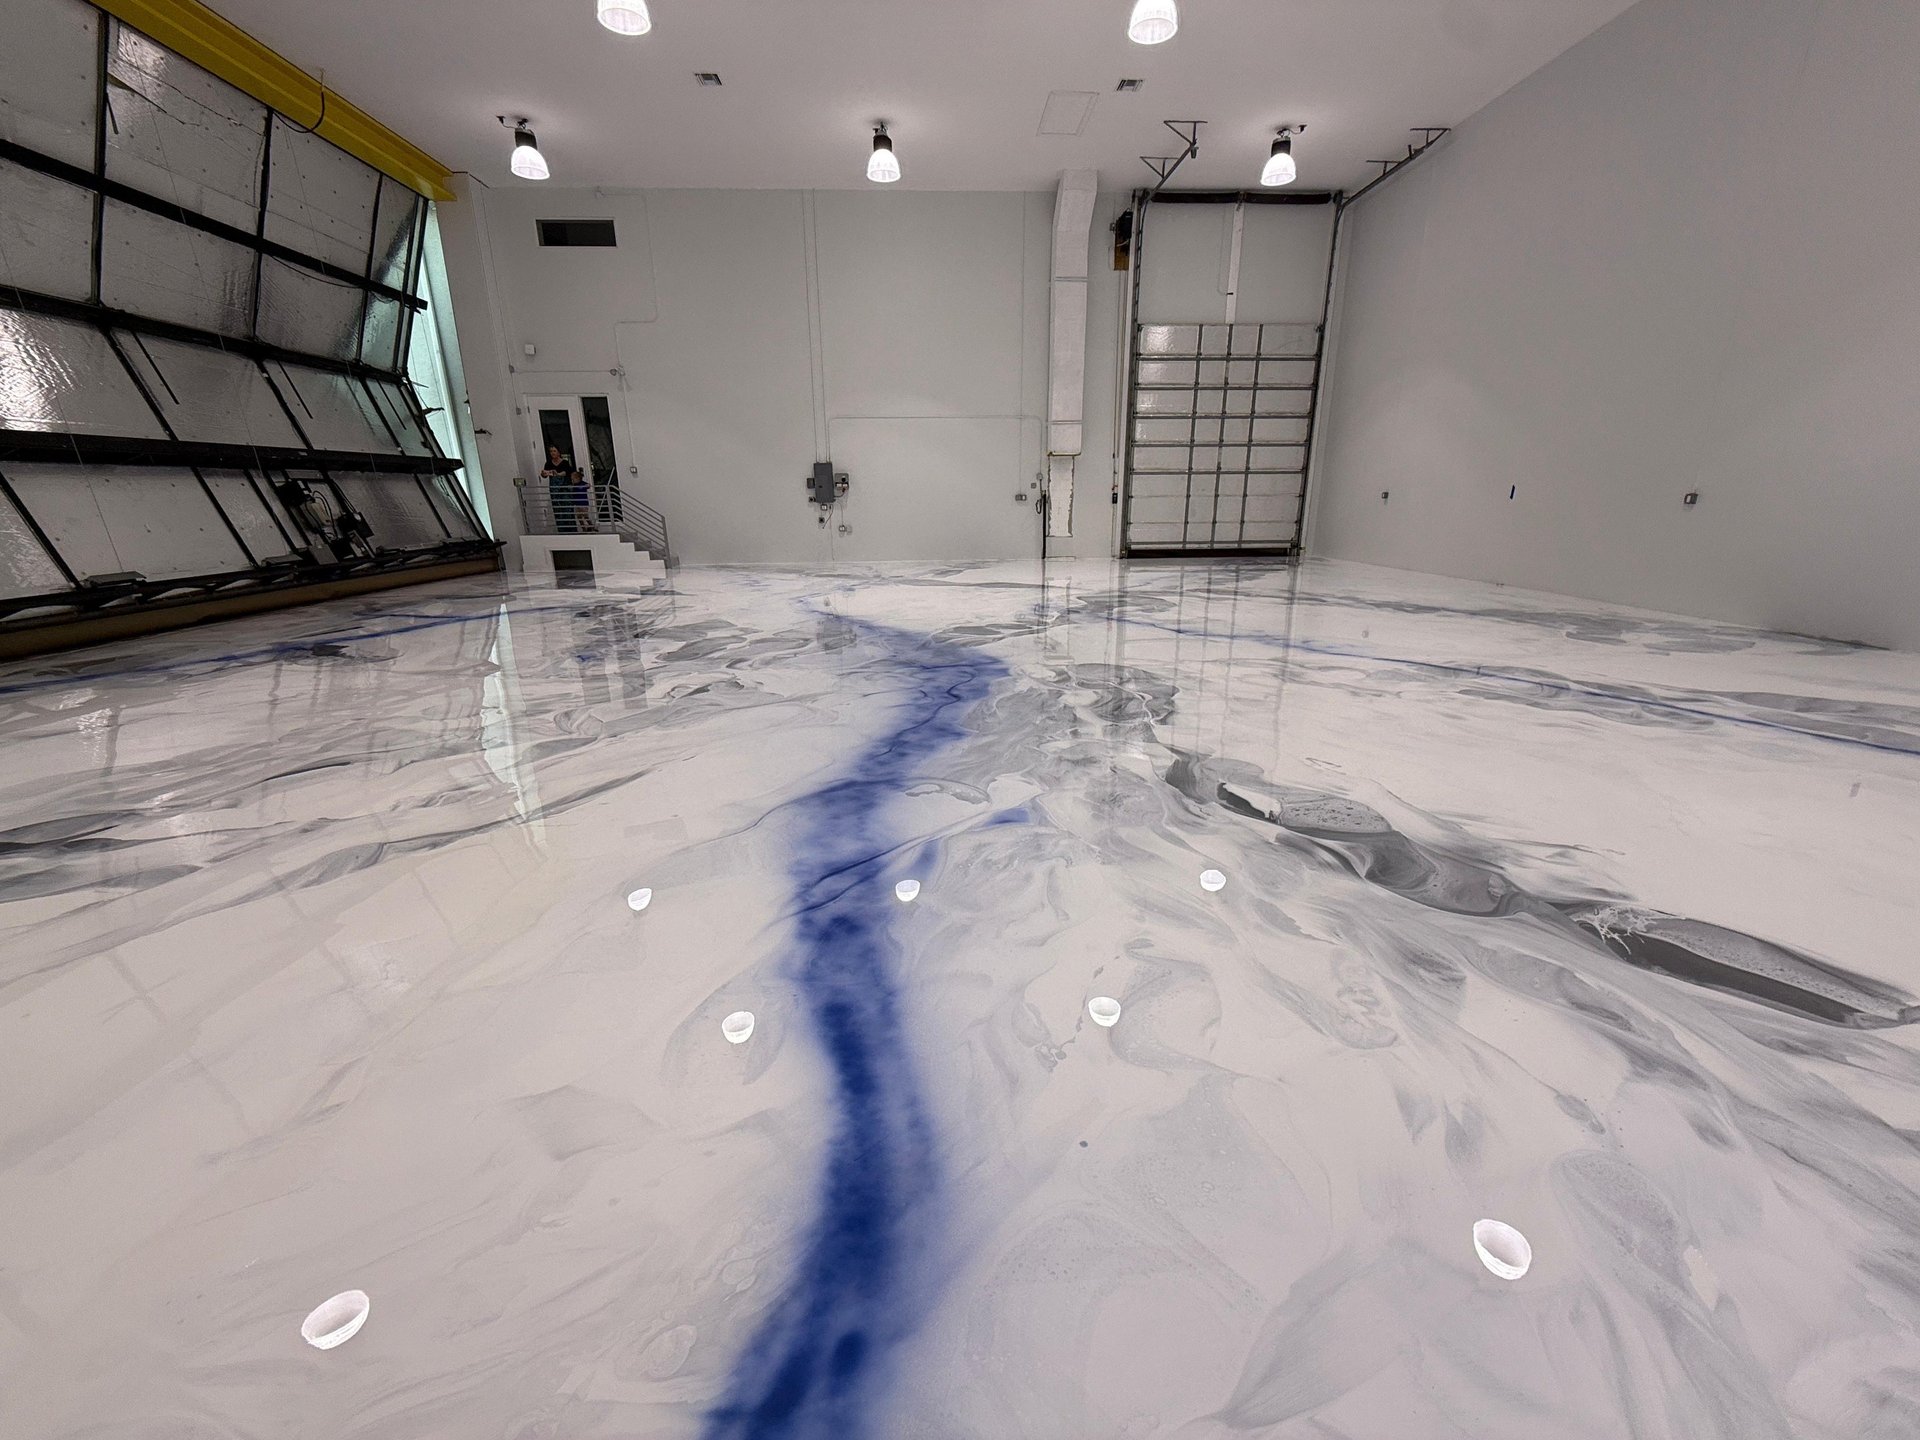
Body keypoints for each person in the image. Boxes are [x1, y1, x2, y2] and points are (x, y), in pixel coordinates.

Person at [540, 445, 588, 533]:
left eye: (554, 451)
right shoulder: (548, 463)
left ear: (558, 452)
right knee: (558, 510)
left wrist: (557, 474)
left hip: (564, 488)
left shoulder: (565, 462)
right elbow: (545, 475)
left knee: (567, 509)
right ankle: (562, 530)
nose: (553, 453)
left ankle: (572, 531)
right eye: (551, 451)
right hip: (554, 489)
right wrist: (544, 474)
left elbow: (566, 472)